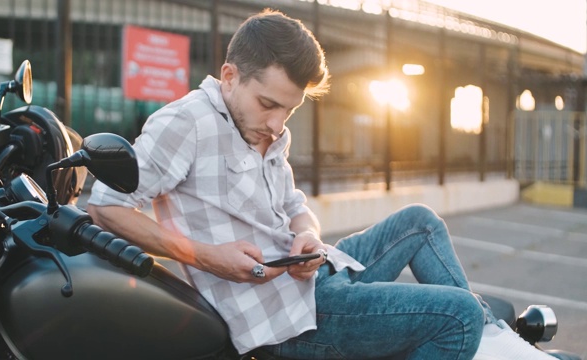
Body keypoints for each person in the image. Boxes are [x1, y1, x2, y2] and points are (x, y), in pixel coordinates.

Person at [87, 9, 557, 360]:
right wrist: (205, 256)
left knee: (420, 222)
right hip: (286, 323)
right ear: (230, 76)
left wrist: (306, 233)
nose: (276, 123)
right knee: (459, 316)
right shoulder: (186, 122)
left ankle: (496, 342)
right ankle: (480, 339)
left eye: (288, 110)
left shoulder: (268, 131)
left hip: (313, 280)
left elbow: (293, 203)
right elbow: (107, 207)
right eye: (267, 103)